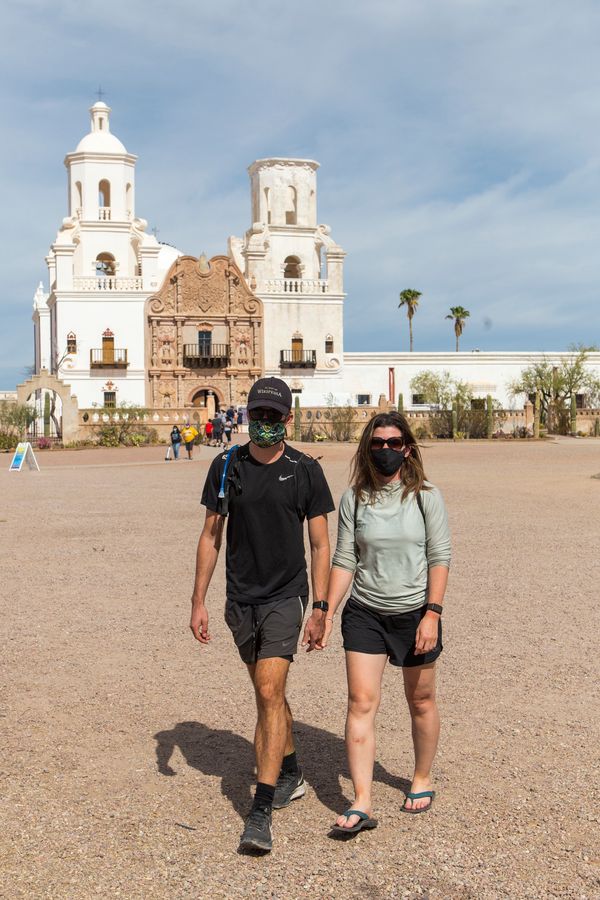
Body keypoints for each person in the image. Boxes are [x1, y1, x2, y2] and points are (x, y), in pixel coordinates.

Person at [190, 377, 334, 853]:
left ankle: (260, 810)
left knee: (270, 690)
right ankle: (291, 771)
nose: (266, 424)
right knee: (267, 694)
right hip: (241, 598)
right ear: (248, 414)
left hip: (286, 597)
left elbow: (319, 543)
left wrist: (320, 606)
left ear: (288, 419)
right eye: (259, 415)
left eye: (274, 417)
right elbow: (211, 535)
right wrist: (198, 601)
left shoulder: (305, 469)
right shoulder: (227, 464)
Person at [322, 411, 451, 833]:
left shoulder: (425, 496)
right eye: (377, 443)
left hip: (416, 613)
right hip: (366, 613)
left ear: (407, 449)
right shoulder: (354, 498)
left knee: (421, 701)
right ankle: (361, 800)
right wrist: (325, 609)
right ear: (367, 448)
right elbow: (345, 559)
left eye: (393, 443)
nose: (384, 450)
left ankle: (421, 777)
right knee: (361, 702)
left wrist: (432, 613)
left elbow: (439, 557)